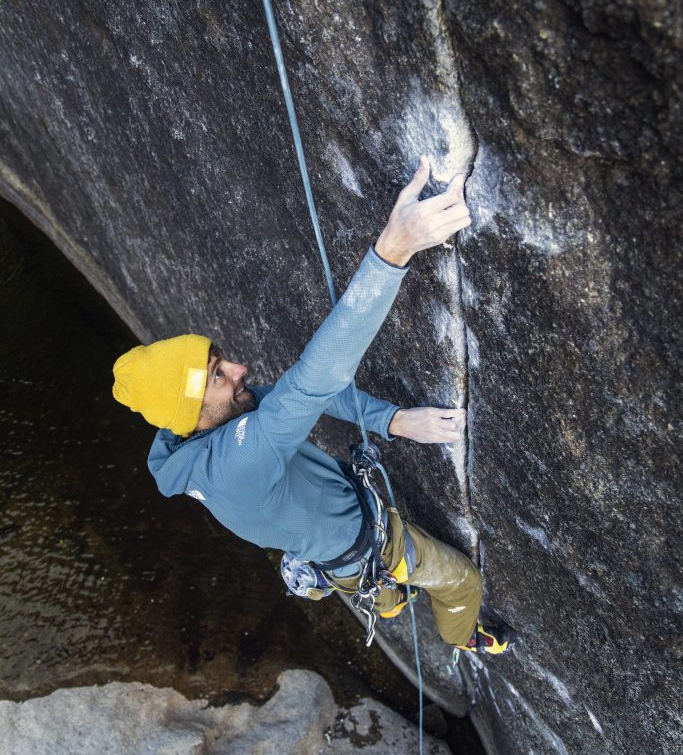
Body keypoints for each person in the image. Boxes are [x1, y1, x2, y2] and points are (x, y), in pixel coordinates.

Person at [112, 157, 512, 657]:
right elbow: (312, 382)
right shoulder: (235, 464)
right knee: (461, 581)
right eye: (219, 375)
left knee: (383, 591)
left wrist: (392, 420)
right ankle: (465, 635)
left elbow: (302, 395)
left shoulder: (197, 426)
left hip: (333, 549)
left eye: (220, 360)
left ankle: (388, 601)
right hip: (365, 542)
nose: (240, 370)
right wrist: (393, 250)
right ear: (194, 412)